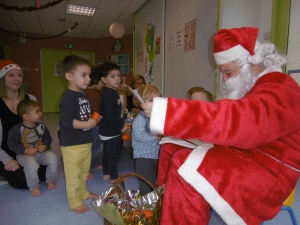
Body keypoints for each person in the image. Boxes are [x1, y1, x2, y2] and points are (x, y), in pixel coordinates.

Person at [141, 27, 300, 225]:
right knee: (170, 147)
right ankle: (168, 213)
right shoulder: (253, 85)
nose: (224, 80)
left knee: (185, 164)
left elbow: (240, 122)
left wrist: (171, 112)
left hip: (271, 169)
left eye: (228, 72)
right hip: (249, 153)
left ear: (254, 64)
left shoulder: (280, 87)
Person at [59, 55, 100, 214]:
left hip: (85, 141)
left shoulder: (82, 94)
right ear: (69, 76)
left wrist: (92, 119)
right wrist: (87, 124)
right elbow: (67, 121)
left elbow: (82, 115)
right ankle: (74, 201)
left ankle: (82, 192)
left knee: (83, 172)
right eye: (83, 75)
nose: (88, 79)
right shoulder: (68, 97)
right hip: (72, 145)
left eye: (89, 75)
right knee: (73, 175)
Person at [0, 60, 47, 189]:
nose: (17, 79)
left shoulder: (30, 99)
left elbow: (38, 128)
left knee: (45, 173)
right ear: (2, 78)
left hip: (27, 150)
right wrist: (6, 159)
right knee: (23, 181)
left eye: (19, 75)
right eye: (11, 75)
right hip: (5, 151)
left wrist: (39, 148)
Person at [7, 99, 58, 197]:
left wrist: (44, 145)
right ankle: (34, 186)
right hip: (24, 155)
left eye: (40, 110)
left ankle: (50, 180)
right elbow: (12, 145)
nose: (40, 113)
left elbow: (48, 138)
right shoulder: (17, 130)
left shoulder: (41, 127)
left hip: (40, 153)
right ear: (26, 116)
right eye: (37, 112)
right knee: (31, 164)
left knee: (53, 158)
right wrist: (25, 150)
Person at [98, 62, 130, 184]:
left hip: (108, 130)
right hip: (111, 131)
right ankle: (114, 177)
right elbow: (109, 115)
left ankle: (106, 173)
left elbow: (114, 111)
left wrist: (124, 114)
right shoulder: (109, 94)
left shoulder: (112, 91)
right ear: (104, 79)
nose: (117, 78)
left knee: (107, 153)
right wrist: (121, 126)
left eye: (118, 75)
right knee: (113, 155)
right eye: (113, 76)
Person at [131, 85, 162, 195]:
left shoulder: (156, 117)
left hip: (156, 155)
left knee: (155, 180)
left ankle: (154, 201)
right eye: (152, 100)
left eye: (158, 100)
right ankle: (146, 205)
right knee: (146, 182)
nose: (156, 103)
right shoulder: (140, 119)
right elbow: (139, 136)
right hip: (143, 157)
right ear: (141, 102)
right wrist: (156, 137)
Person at [85, 64, 105, 178]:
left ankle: (95, 164)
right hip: (95, 124)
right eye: (102, 82)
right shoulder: (94, 93)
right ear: (97, 80)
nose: (103, 85)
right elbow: (96, 109)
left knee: (94, 146)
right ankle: (86, 168)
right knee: (95, 146)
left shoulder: (87, 91)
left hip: (91, 124)